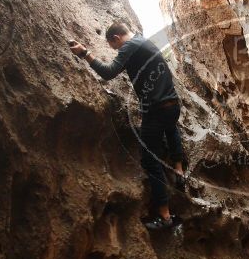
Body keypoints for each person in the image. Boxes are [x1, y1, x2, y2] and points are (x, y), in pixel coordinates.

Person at [69, 21, 185, 229]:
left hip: (156, 111)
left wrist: (84, 53)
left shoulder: (130, 46)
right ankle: (179, 170)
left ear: (116, 38)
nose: (117, 50)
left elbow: (108, 72)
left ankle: (165, 217)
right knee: (171, 127)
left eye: (115, 47)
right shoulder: (144, 41)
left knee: (150, 161)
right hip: (172, 105)